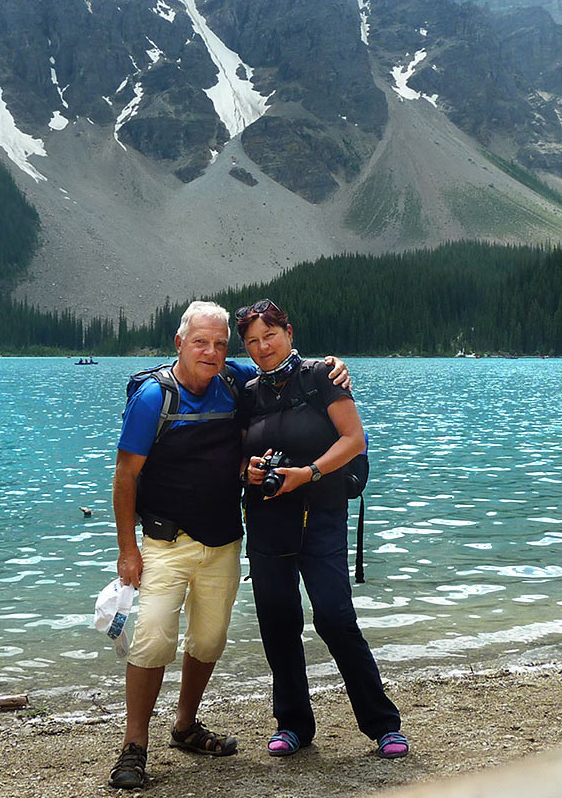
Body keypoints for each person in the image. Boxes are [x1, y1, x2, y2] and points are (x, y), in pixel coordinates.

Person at [108, 300, 350, 789]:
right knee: (154, 637)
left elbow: (279, 358)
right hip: (165, 539)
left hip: (222, 540)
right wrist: (127, 549)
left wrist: (332, 365)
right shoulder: (154, 397)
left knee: (210, 639)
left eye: (220, 344)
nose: (211, 352)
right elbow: (125, 475)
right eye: (200, 342)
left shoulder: (232, 380)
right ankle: (134, 745)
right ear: (179, 343)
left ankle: (185, 726)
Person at [236, 298, 408, 760]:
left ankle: (382, 725)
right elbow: (236, 455)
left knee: (335, 619)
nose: (262, 347)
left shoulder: (321, 377)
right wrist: (249, 471)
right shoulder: (248, 391)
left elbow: (354, 440)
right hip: (268, 520)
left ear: (289, 332)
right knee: (278, 623)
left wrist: (309, 472)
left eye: (269, 335)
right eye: (252, 341)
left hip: (321, 515)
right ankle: (293, 724)